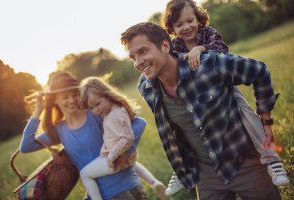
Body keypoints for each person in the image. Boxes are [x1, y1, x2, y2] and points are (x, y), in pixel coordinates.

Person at [120, 22, 283, 200]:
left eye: (143, 51)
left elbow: (259, 71)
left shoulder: (210, 64)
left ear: (165, 46)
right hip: (206, 176)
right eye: (133, 57)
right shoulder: (146, 88)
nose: (138, 62)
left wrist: (266, 120)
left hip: (246, 164)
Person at [161, 0, 289, 195]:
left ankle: (271, 160)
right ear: (172, 28)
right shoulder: (175, 46)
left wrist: (199, 49)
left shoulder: (207, 34)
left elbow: (221, 47)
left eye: (190, 20)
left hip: (225, 92)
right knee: (187, 128)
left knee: (249, 119)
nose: (186, 27)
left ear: (198, 19)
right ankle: (182, 169)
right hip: (198, 99)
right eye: (179, 24)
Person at [19, 71, 147, 200]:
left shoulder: (95, 113)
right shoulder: (59, 130)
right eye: (65, 97)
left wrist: (122, 152)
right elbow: (26, 146)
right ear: (55, 100)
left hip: (123, 190)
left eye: (75, 94)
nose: (72, 100)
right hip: (94, 195)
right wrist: (38, 110)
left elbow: (139, 123)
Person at [78, 76, 168, 200]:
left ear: (107, 95)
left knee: (85, 174)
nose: (96, 110)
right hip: (128, 156)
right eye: (91, 108)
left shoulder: (114, 116)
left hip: (113, 160)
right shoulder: (118, 108)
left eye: (97, 104)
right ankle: (153, 182)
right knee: (133, 164)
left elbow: (127, 138)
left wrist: (112, 156)